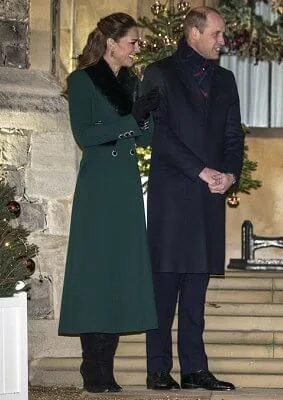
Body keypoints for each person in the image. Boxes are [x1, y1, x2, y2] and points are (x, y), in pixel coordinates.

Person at [141, 6, 244, 391]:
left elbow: (234, 135)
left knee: (197, 291)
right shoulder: (159, 72)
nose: (223, 40)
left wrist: (230, 175)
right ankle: (157, 370)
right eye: (217, 33)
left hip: (209, 198)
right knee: (164, 288)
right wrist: (200, 170)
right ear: (194, 34)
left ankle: (195, 369)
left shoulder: (227, 79)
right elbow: (158, 132)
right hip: (173, 197)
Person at [58, 13, 160, 393]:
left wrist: (147, 116)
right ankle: (92, 365)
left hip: (125, 187)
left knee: (120, 270)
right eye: (133, 42)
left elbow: (145, 140)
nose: (137, 48)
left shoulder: (131, 83)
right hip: (98, 186)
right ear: (113, 43)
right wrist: (130, 119)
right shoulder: (81, 81)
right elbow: (85, 133)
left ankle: (107, 365)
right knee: (95, 272)